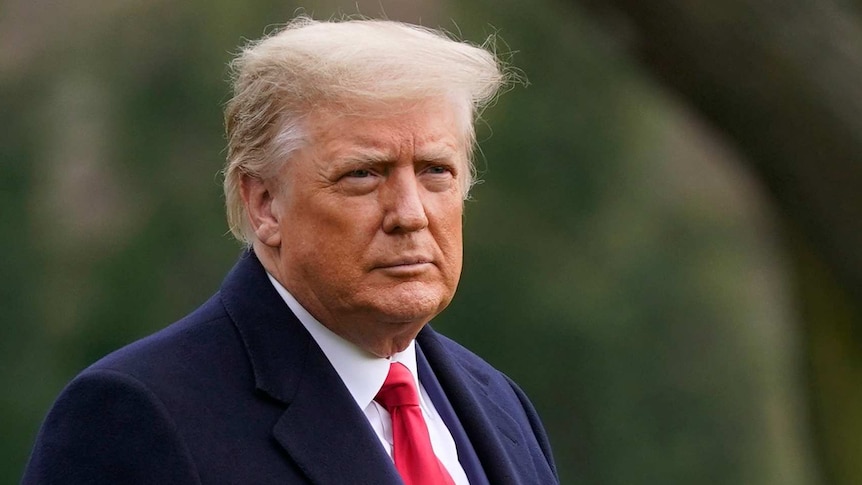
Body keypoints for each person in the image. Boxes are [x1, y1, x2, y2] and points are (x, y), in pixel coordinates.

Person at [23, 16, 559, 485]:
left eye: (435, 171)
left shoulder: (499, 403)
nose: (411, 213)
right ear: (265, 205)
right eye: (363, 175)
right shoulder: (135, 417)